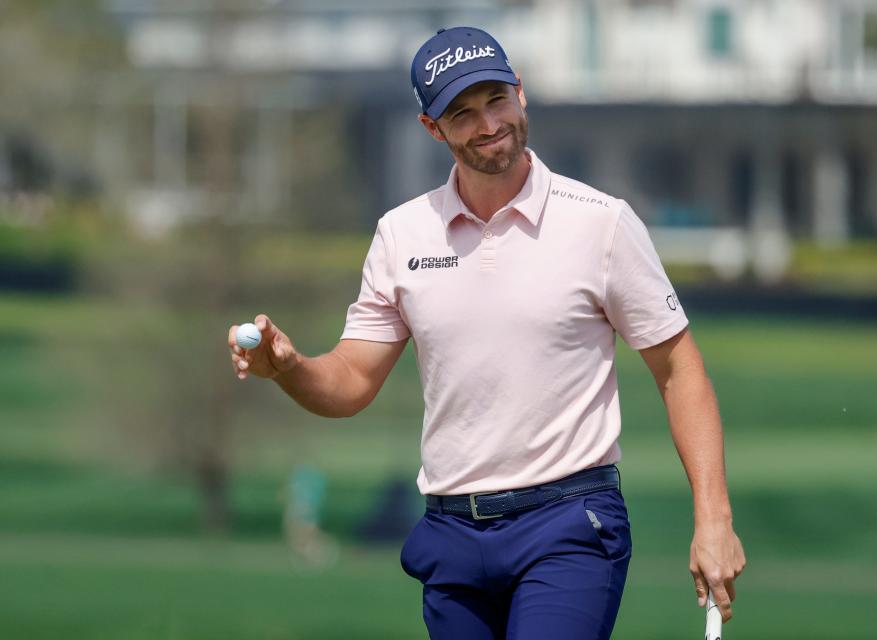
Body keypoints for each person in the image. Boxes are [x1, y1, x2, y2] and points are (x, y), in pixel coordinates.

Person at [227, 26, 745, 640]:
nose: (488, 123)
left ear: (521, 94)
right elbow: (352, 380)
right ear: (432, 128)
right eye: (462, 113)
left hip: (569, 525)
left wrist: (713, 518)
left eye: (496, 99)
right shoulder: (402, 235)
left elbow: (680, 370)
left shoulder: (601, 224)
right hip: (452, 534)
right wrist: (290, 368)